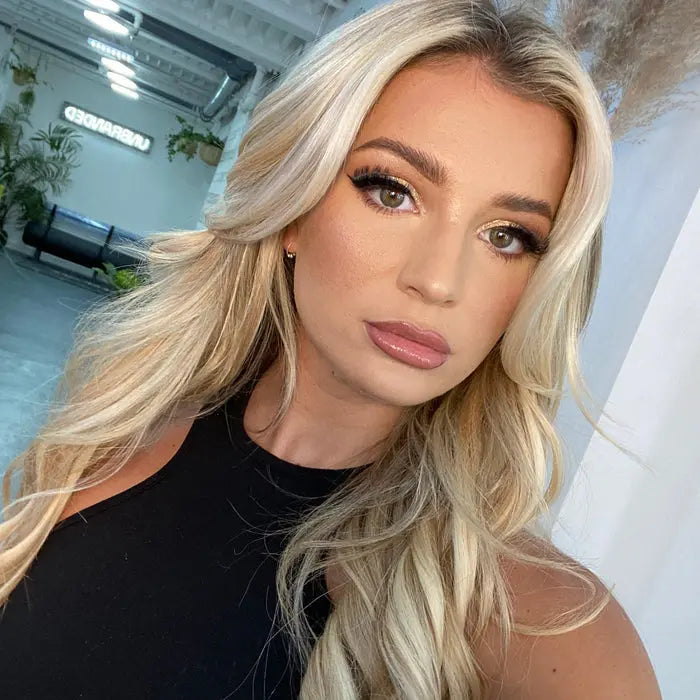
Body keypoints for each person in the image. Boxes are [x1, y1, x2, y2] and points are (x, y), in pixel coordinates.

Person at [0, 0, 661, 697]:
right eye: (392, 192)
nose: (439, 281)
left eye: (507, 237)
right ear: (295, 205)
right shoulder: (128, 424)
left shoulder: (544, 630)